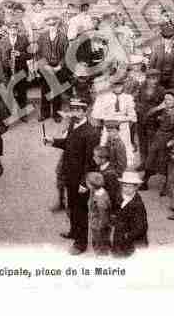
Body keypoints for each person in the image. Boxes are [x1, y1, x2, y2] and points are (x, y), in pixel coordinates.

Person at [44, 98, 100, 255]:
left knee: (80, 210)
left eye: (78, 109)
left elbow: (91, 162)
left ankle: (81, 243)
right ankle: (74, 232)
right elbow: (68, 143)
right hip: (69, 174)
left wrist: (84, 182)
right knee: (72, 207)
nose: (75, 112)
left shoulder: (91, 132)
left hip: (81, 179)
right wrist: (53, 141)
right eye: (73, 109)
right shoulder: (73, 125)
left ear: (84, 111)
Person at [92, 72, 137, 167]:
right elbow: (96, 114)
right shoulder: (105, 97)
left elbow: (133, 117)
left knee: (124, 146)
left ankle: (123, 167)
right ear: (111, 86)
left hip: (123, 126)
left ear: (123, 85)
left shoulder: (128, 98)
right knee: (105, 144)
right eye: (115, 85)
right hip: (108, 125)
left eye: (119, 85)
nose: (117, 88)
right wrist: (108, 118)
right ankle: (105, 165)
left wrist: (122, 119)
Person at [141, 89, 174, 193]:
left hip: (169, 137)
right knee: (151, 157)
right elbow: (147, 115)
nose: (167, 101)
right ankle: (145, 180)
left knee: (165, 161)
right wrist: (158, 108)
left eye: (170, 99)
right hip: (159, 135)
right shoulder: (162, 109)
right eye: (166, 99)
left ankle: (166, 185)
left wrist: (173, 140)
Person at [36, 15, 69, 123]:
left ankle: (56, 114)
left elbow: (66, 55)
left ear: (57, 24)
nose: (52, 27)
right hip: (45, 67)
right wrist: (45, 65)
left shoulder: (63, 37)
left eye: (53, 24)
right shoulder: (42, 37)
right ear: (46, 25)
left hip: (58, 67)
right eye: (49, 24)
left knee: (57, 91)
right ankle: (44, 113)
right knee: (45, 91)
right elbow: (38, 54)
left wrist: (59, 67)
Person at [0, 20, 31, 119]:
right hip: (7, 71)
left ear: (17, 30)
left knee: (22, 92)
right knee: (9, 92)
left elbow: (31, 55)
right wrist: (7, 63)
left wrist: (20, 54)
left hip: (21, 70)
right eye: (11, 29)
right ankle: (9, 114)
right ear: (7, 30)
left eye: (15, 29)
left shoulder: (24, 39)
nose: (13, 31)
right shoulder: (2, 41)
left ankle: (23, 114)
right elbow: (0, 58)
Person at [112, 171, 148, 258]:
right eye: (124, 186)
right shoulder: (120, 196)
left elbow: (142, 225)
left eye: (130, 187)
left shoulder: (138, 204)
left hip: (130, 234)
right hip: (120, 229)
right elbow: (116, 208)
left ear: (136, 187)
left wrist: (129, 235)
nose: (127, 189)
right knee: (118, 247)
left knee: (128, 254)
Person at [135, 69, 166, 170]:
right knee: (142, 143)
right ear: (147, 79)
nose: (155, 81)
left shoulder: (161, 90)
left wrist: (157, 113)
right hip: (141, 120)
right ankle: (143, 162)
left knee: (152, 144)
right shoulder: (141, 88)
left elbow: (163, 107)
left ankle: (151, 165)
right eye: (152, 79)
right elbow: (136, 101)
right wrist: (140, 109)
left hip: (153, 121)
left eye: (156, 78)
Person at [149, 25, 174, 89]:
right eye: (165, 38)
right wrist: (153, 80)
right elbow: (151, 66)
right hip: (158, 80)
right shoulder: (157, 49)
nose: (168, 41)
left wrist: (173, 83)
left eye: (169, 38)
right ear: (163, 39)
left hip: (172, 81)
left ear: (173, 38)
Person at [86, 172, 112, 256]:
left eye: (87, 183)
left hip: (98, 224)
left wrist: (101, 225)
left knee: (100, 239)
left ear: (91, 185)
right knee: (103, 237)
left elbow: (103, 214)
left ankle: (101, 253)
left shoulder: (100, 200)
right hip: (97, 221)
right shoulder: (99, 191)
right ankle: (103, 247)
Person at [92, 146, 120, 215]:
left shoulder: (110, 174)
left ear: (103, 159)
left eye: (96, 156)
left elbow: (112, 195)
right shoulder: (98, 168)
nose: (93, 158)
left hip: (108, 207)